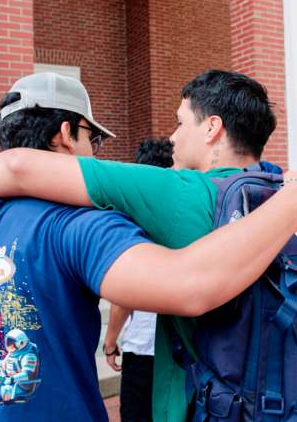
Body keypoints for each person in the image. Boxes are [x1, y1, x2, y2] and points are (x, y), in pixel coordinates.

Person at [0, 73, 297, 422]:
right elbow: (188, 284)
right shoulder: (83, 225)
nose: (95, 152)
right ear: (67, 133)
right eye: (93, 138)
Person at [0, 69, 281, 421]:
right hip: (288, 394)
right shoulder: (281, 188)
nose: (172, 137)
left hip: (209, 404)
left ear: (211, 128)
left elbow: (17, 166)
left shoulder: (183, 191)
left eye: (180, 123)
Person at [104, 138, 174, 422]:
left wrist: (110, 341)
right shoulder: (184, 217)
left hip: (144, 346)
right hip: (178, 346)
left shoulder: (133, 220)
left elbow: (125, 296)